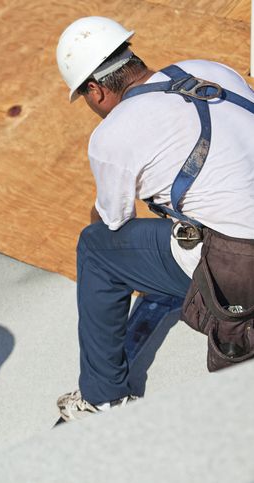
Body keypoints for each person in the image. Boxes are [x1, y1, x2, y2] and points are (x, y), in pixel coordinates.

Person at [54, 17, 254, 420]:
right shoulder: (209, 69)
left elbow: (111, 223)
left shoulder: (113, 134)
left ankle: (103, 397)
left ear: (95, 91)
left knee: (95, 251)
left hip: (243, 262)